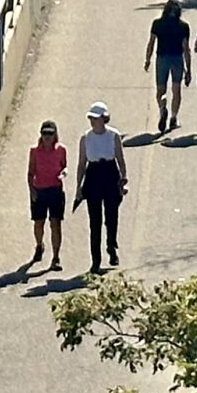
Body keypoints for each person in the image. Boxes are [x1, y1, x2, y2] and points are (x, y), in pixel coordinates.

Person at [77, 102, 128, 272]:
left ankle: (111, 246)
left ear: (103, 119)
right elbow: (82, 163)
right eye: (91, 118)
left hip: (109, 173)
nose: (92, 121)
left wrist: (123, 177)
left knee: (111, 215)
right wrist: (79, 186)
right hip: (93, 175)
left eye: (95, 118)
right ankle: (95, 260)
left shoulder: (113, 136)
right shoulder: (85, 138)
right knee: (95, 220)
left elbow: (120, 158)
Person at [27, 120, 69, 270]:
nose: (47, 137)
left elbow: (64, 166)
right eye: (44, 133)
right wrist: (32, 191)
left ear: (55, 134)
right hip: (40, 190)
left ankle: (56, 257)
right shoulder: (34, 152)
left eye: (50, 133)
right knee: (39, 223)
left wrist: (63, 173)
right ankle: (39, 245)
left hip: (55, 190)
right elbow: (31, 172)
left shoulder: (61, 150)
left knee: (55, 223)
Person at [144, 0, 191, 133]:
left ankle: (162, 107)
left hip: (162, 58)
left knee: (161, 90)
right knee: (176, 90)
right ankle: (173, 118)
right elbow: (186, 49)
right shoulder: (183, 26)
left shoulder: (157, 24)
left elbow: (151, 43)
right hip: (177, 59)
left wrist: (147, 60)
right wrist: (189, 70)